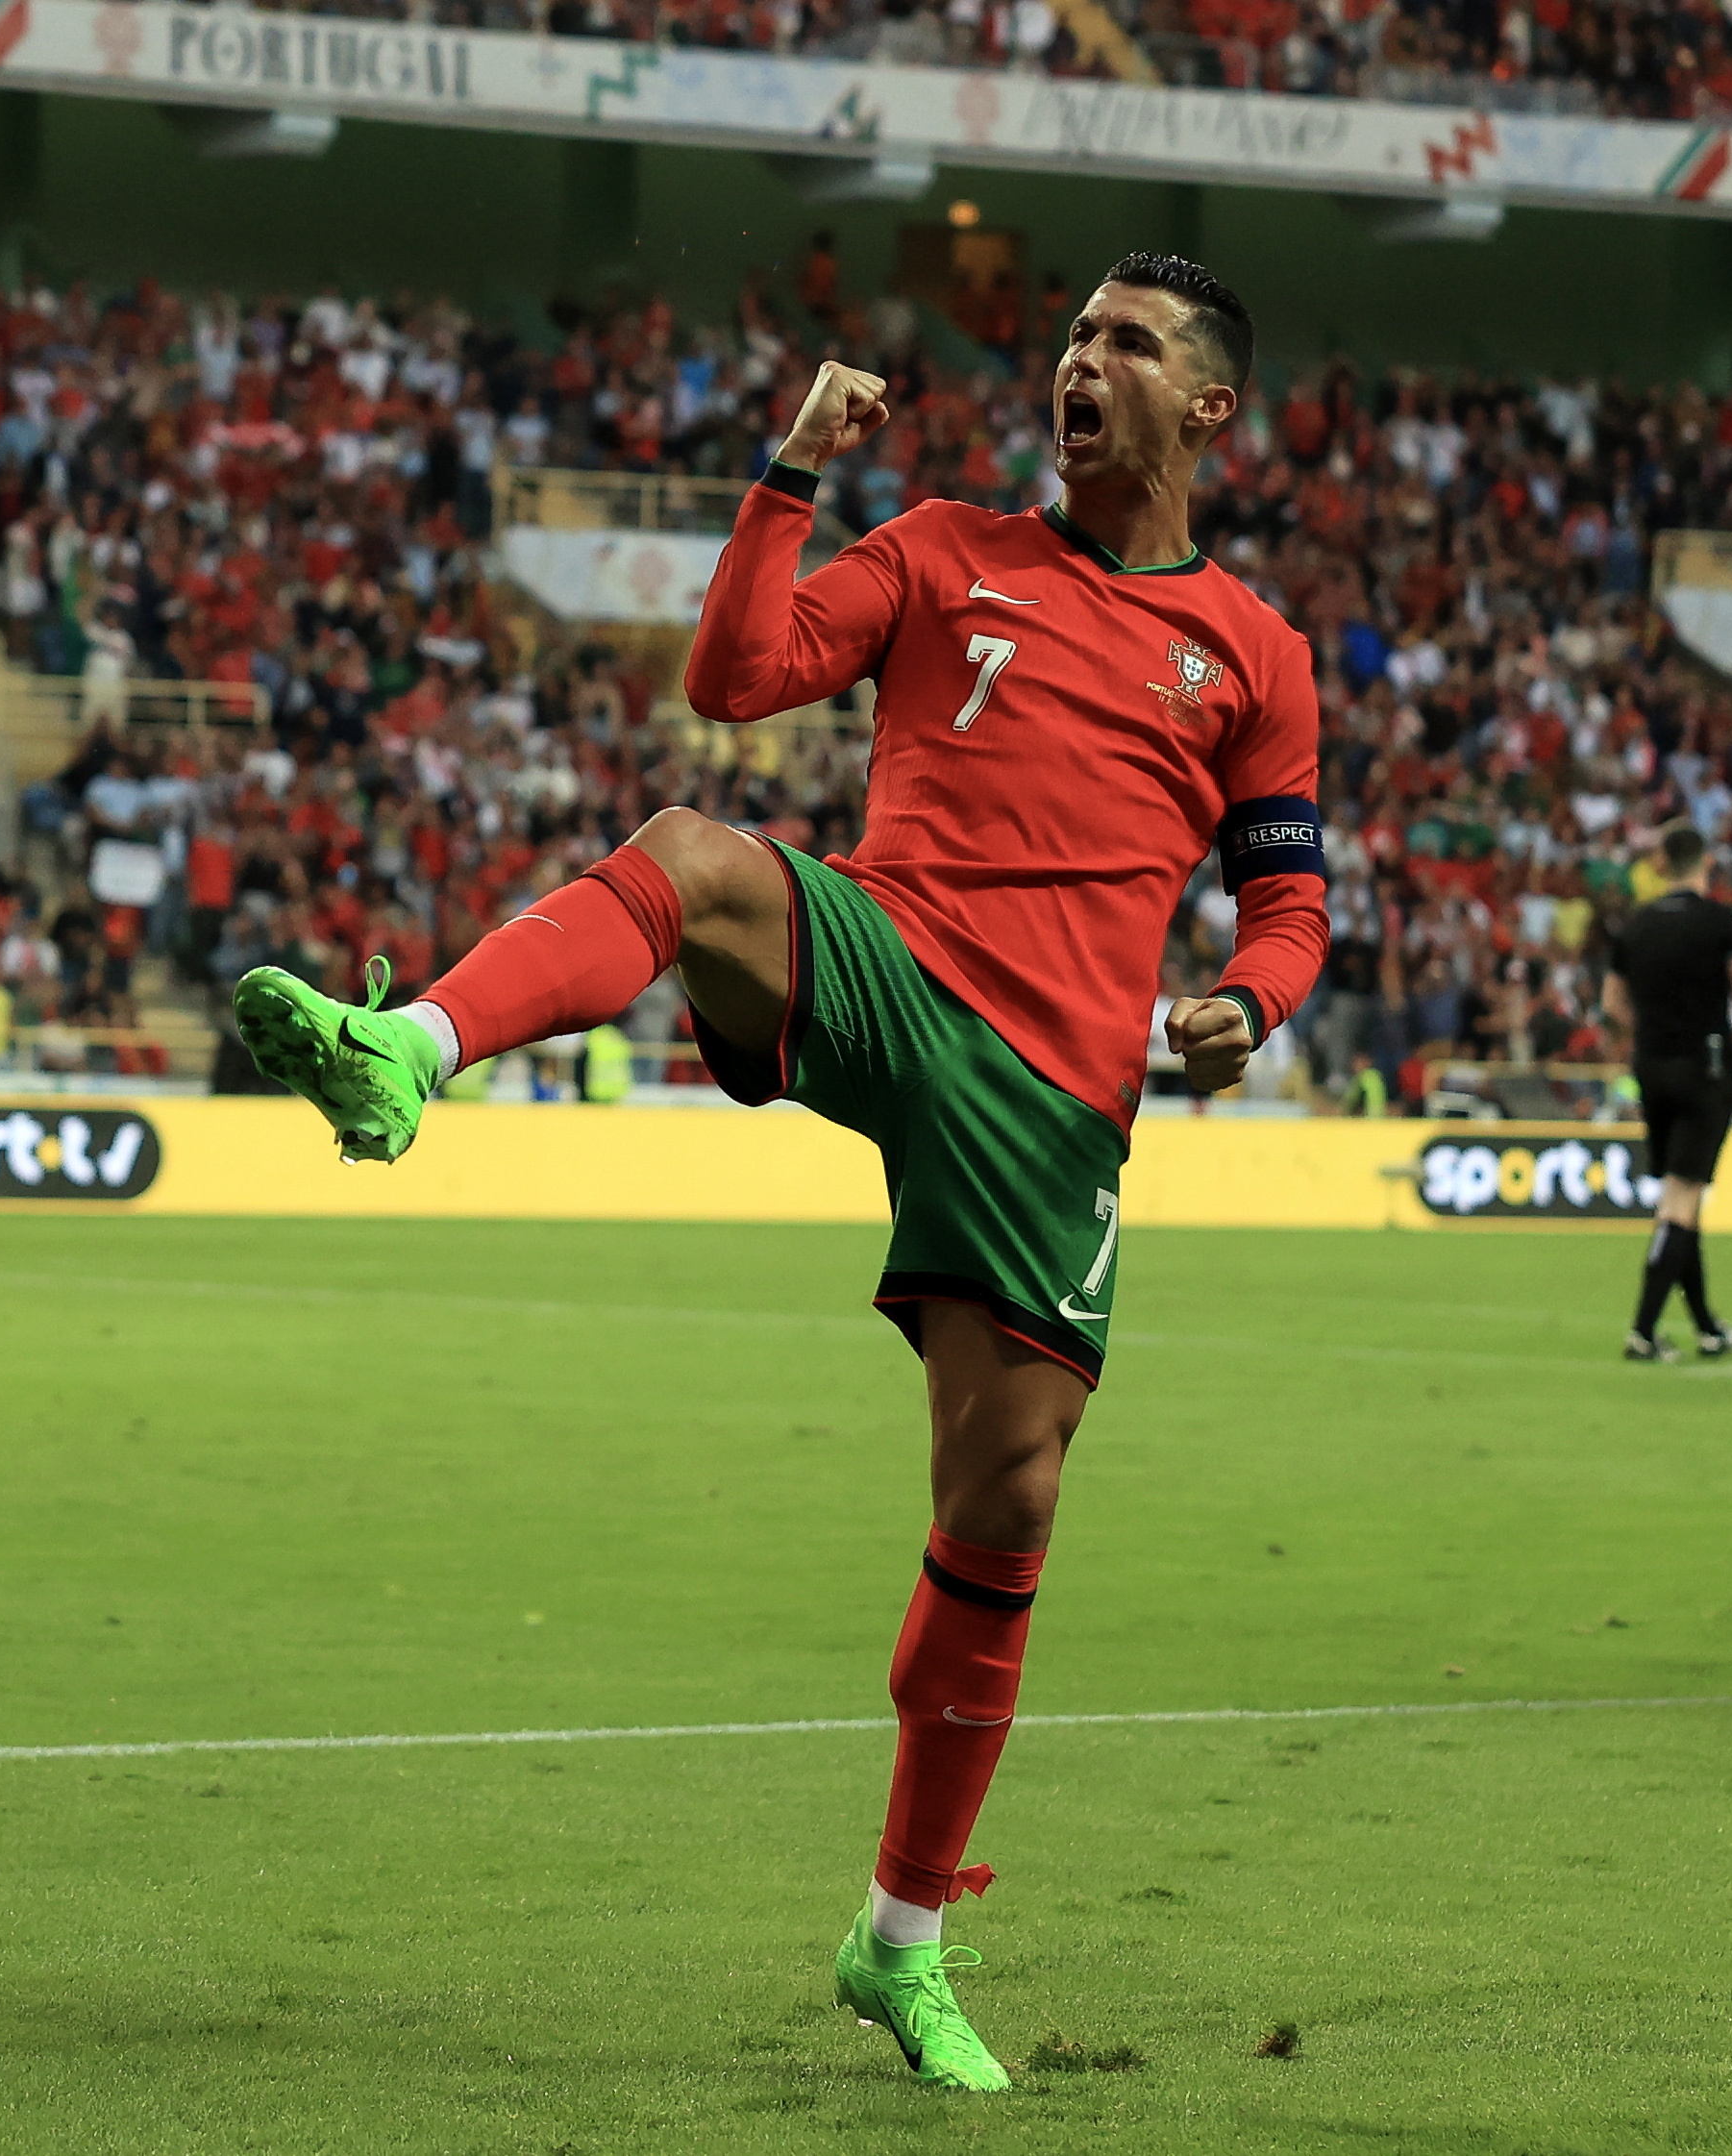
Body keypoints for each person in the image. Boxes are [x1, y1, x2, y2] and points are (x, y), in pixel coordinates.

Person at [228, 253, 1325, 2091]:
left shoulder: (1256, 656)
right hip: (890, 963)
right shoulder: (940, 550)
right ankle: (401, 1055)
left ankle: (898, 1938)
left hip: (1054, 1092)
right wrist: (790, 471)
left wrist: (1249, 1000)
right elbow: (734, 680)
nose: (1079, 363)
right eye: (1070, 338)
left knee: (1007, 1498)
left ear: (1207, 406)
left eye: (1122, 344)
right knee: (696, 850)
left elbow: (1288, 899)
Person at [1602, 825, 1732, 1362]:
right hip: (1705, 1069)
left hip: (1652, 1069)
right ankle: (1643, 1330)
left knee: (1686, 1195)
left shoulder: (1637, 926)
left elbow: (1611, 1007)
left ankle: (1706, 1327)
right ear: (1706, 864)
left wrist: (1649, 1035)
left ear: (1663, 865)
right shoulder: (1723, 922)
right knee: (1680, 1198)